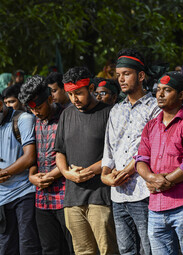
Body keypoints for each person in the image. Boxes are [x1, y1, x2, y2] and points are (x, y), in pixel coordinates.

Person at [135, 71, 183, 255]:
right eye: (158, 90)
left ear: (181, 95)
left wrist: (163, 183)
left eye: (167, 90)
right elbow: (141, 160)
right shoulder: (151, 125)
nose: (160, 94)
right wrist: (152, 178)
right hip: (155, 208)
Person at [54, 66, 117, 255]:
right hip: (72, 199)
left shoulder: (109, 112)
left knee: (108, 250)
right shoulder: (66, 114)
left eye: (79, 93)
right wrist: (67, 173)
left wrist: (89, 171)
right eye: (70, 94)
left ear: (90, 88)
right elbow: (59, 152)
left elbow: (114, 154)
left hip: (101, 196)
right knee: (82, 251)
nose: (75, 99)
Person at [101, 48, 158, 255]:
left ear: (141, 76)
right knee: (125, 250)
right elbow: (109, 149)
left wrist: (127, 171)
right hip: (117, 194)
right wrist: (105, 175)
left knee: (148, 249)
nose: (121, 79)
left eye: (126, 74)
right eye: (118, 75)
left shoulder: (155, 108)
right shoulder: (116, 109)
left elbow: (151, 148)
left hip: (142, 192)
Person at [19, 75, 74, 254]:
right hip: (42, 199)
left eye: (39, 107)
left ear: (50, 99)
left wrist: (51, 175)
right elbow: (32, 157)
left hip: (66, 196)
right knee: (49, 249)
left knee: (72, 248)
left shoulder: (67, 116)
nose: (35, 112)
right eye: (31, 109)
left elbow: (73, 157)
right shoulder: (34, 121)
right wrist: (32, 175)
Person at [0, 91, 41, 254]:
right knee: (6, 249)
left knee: (28, 247)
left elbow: (29, 157)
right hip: (2, 199)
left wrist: (5, 172)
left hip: (24, 193)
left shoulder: (23, 119)